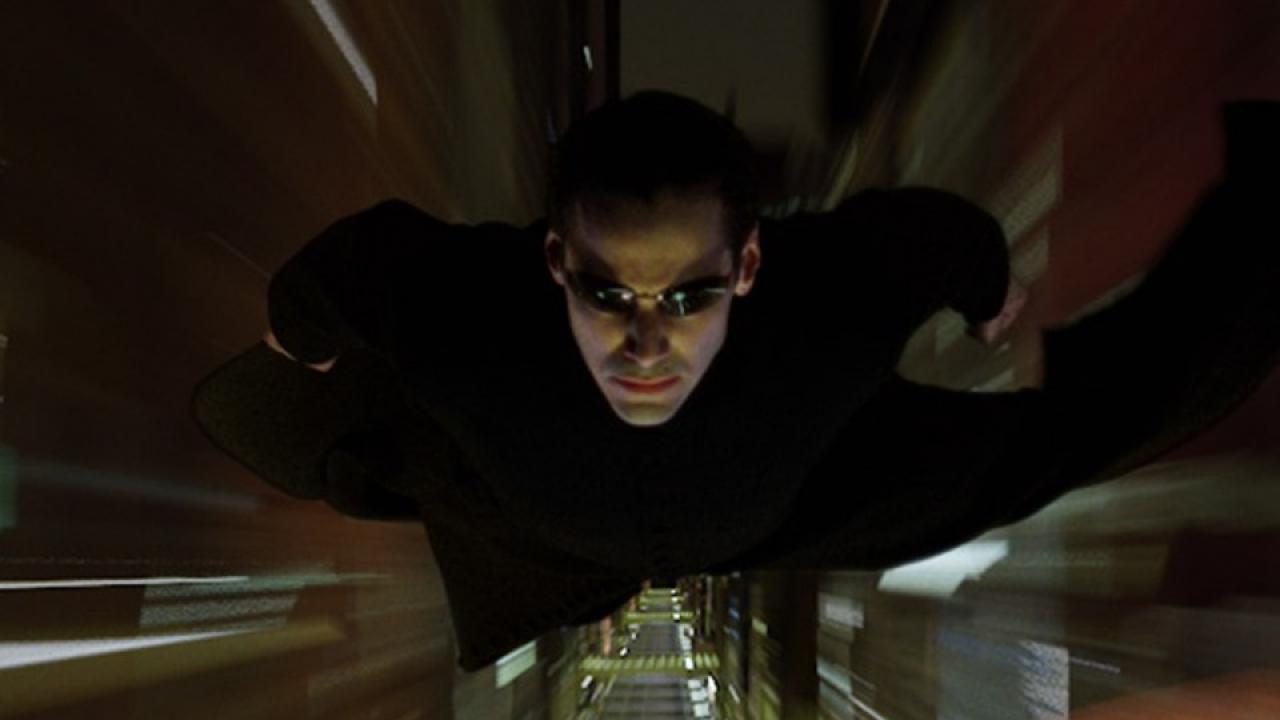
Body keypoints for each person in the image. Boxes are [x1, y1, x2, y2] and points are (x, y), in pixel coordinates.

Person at [193, 92, 1279, 670]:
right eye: (607, 294)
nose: (644, 347)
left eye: (688, 296)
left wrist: (990, 295)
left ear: (749, 268)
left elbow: (939, 241)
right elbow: (331, 282)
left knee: (1071, 437)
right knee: (349, 439)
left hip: (797, 494)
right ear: (552, 262)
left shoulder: (824, 304)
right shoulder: (465, 312)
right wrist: (301, 352)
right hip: (543, 514)